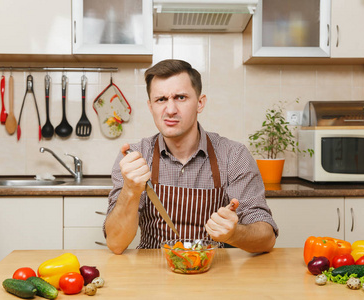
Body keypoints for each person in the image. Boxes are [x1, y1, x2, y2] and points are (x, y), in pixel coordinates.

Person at [104, 59, 278, 255]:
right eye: (161, 99)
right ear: (150, 106)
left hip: (213, 271)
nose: (170, 110)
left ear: (200, 103)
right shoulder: (135, 158)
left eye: (180, 97)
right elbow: (116, 243)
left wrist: (234, 234)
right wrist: (130, 190)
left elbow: (267, 239)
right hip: (152, 273)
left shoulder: (233, 155)